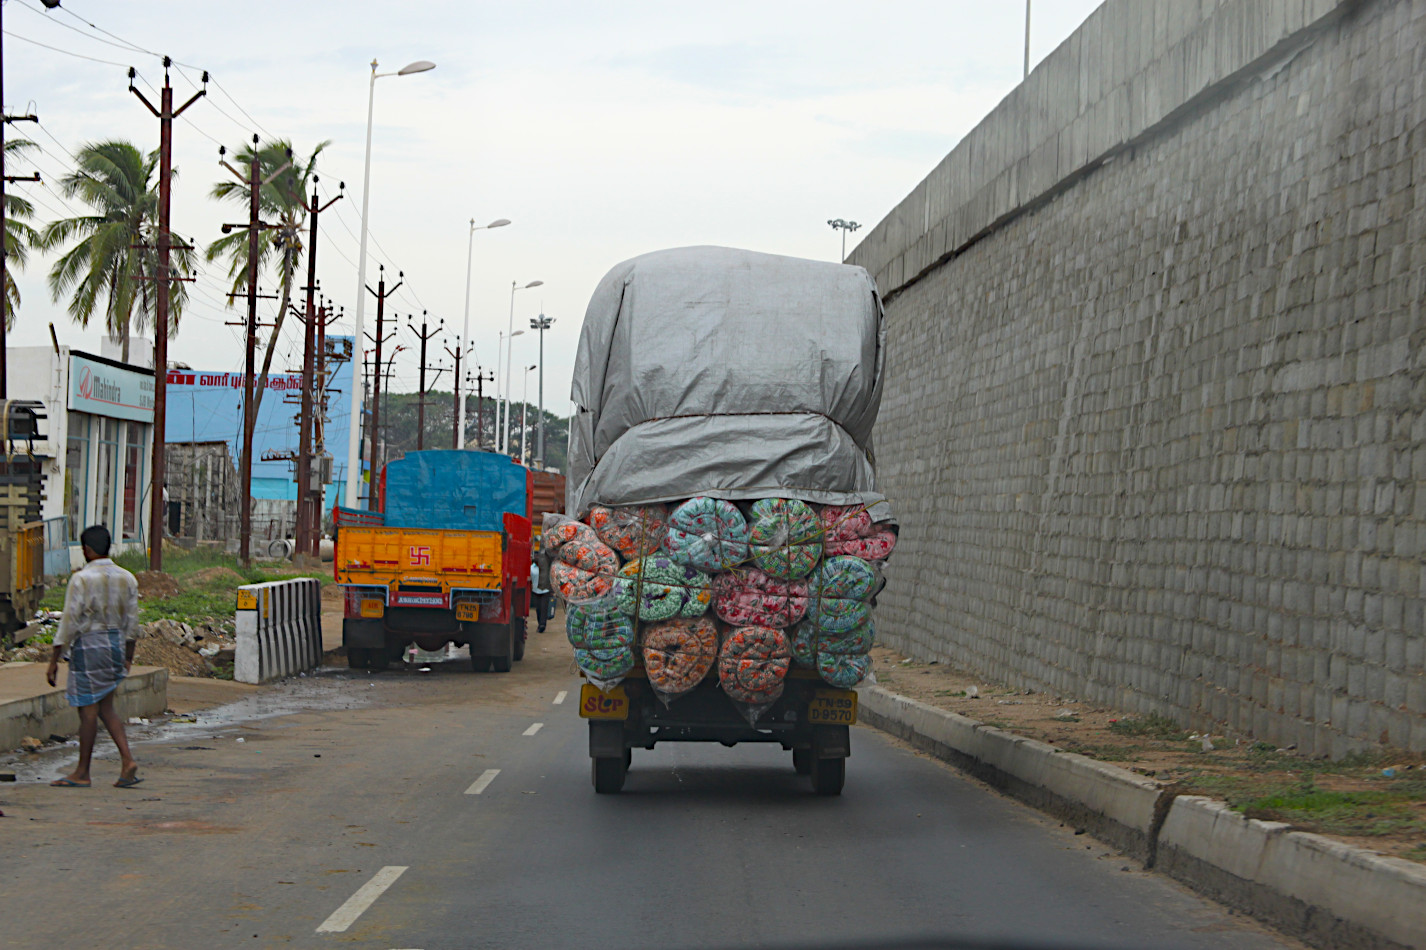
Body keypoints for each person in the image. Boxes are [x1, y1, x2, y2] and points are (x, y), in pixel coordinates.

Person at [45, 524, 142, 789]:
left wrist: (55, 659)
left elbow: (69, 621)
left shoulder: (82, 579)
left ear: (86, 550)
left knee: (87, 711)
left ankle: (82, 772)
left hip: (89, 645)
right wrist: (129, 656)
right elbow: (132, 623)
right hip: (115, 645)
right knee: (106, 706)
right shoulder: (128, 578)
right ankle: (127, 760)